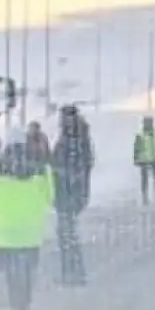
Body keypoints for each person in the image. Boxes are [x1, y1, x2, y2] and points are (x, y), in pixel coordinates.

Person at [0, 126, 55, 310]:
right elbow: (50, 196)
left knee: (11, 276)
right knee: (28, 273)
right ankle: (24, 308)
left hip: (4, 232)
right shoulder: (40, 167)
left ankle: (16, 309)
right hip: (31, 231)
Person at [51, 105, 95, 285]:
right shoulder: (75, 139)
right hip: (68, 193)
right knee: (67, 235)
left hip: (69, 193)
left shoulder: (74, 141)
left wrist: (63, 174)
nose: (62, 121)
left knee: (67, 235)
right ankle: (73, 272)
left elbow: (80, 167)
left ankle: (72, 272)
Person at [133, 115, 155, 203]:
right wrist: (136, 158)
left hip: (154, 158)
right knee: (145, 179)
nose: (148, 125)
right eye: (147, 123)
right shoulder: (140, 135)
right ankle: (145, 194)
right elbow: (136, 148)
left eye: (149, 123)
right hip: (143, 159)